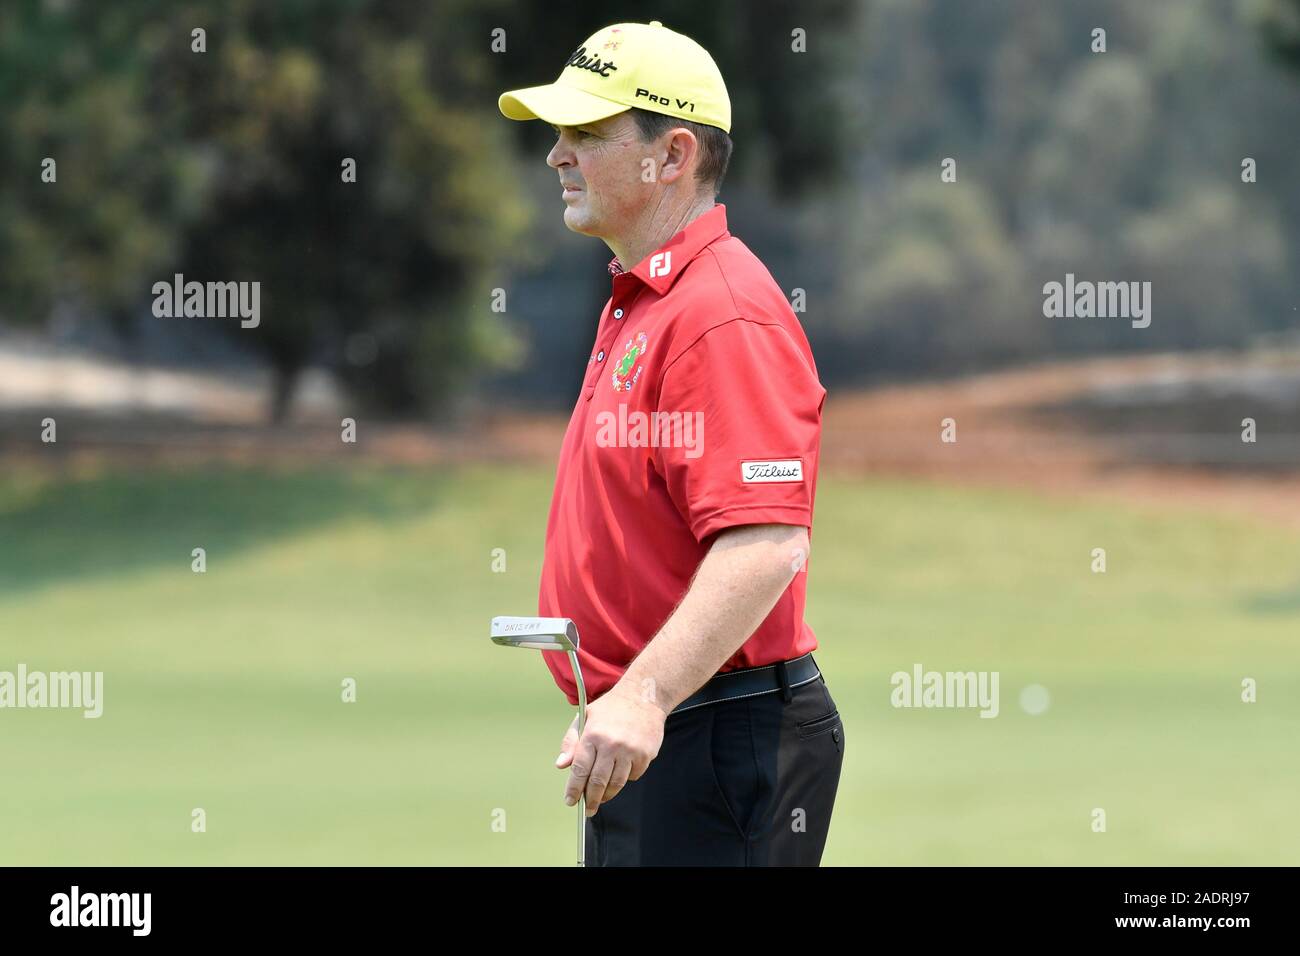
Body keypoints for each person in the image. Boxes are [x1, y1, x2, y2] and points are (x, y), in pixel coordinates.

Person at [498, 20, 843, 866]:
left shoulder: (720, 311)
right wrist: (628, 695)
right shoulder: (650, 298)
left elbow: (765, 543)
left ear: (673, 153)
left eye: (587, 134)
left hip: (717, 734)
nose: (557, 155)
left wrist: (644, 693)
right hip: (668, 725)